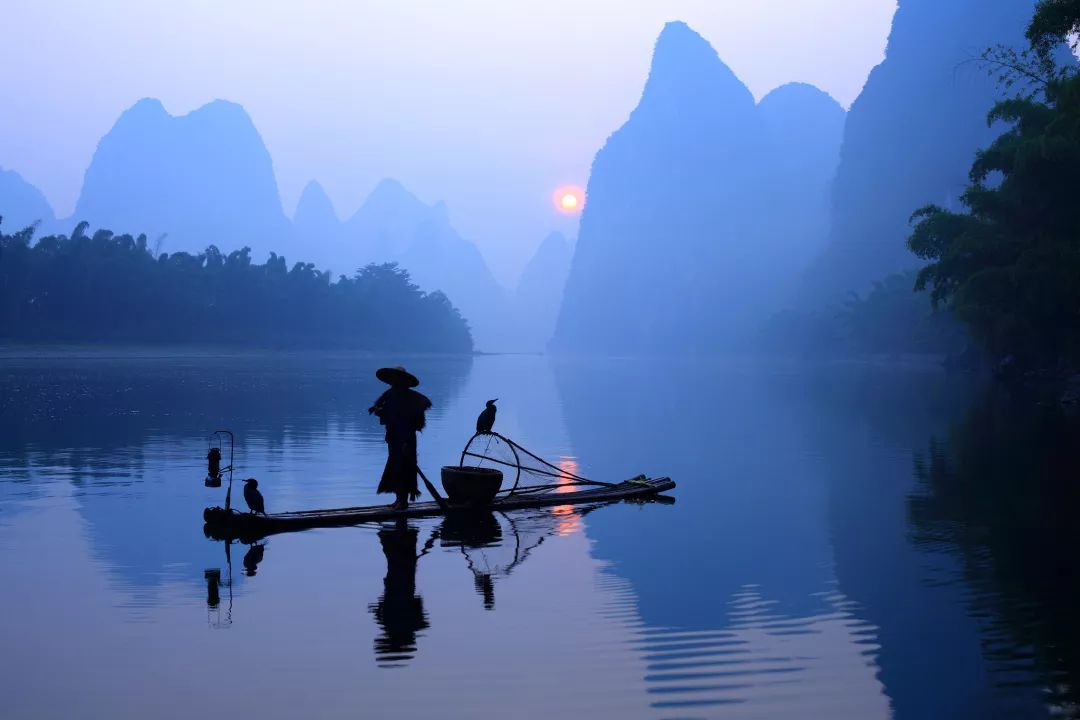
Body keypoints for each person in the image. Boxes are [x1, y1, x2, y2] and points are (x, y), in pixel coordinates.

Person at [368, 366, 432, 510]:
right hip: (393, 437)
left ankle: (403, 502)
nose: (393, 381)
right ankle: (398, 500)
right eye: (392, 378)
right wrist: (379, 412)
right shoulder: (390, 395)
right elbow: (387, 413)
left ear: (402, 380)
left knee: (405, 468)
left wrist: (405, 442)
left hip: (406, 439)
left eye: (396, 378)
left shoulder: (409, 398)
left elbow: (409, 421)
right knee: (395, 467)